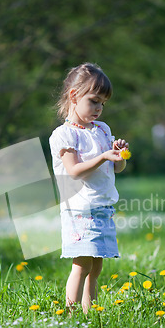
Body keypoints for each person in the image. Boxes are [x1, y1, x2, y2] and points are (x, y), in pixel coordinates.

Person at [49, 63, 129, 313]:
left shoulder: (103, 129)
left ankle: (89, 310)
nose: (99, 108)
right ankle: (70, 312)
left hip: (102, 206)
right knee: (81, 264)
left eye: (103, 103)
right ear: (74, 96)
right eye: (94, 101)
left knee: (96, 267)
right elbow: (74, 171)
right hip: (80, 209)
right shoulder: (65, 135)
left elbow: (118, 169)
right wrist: (104, 156)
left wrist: (118, 156)